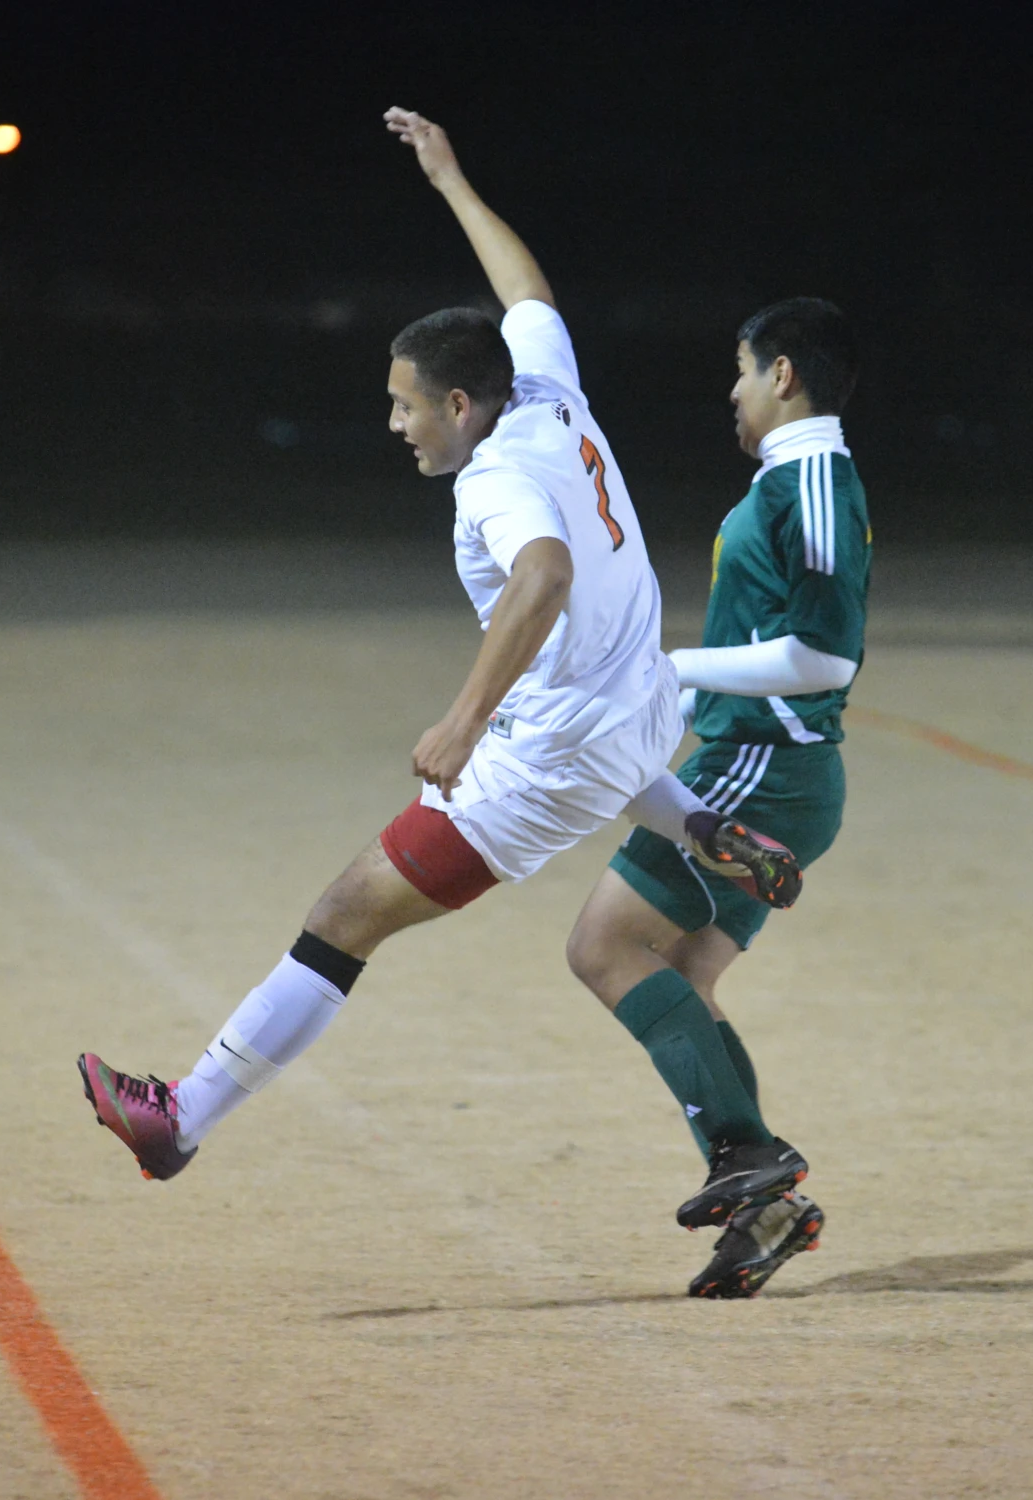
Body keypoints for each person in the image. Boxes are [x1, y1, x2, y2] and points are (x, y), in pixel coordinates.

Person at [76, 109, 803, 1241]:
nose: (394, 422)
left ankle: (181, 1119)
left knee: (340, 918)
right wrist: (452, 181)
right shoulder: (551, 394)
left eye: (405, 403)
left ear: (461, 405)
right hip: (636, 719)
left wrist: (463, 721)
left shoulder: (493, 479)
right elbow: (529, 296)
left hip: (541, 760)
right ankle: (705, 844)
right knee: (397, 885)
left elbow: (544, 576)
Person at [565, 297, 870, 1299]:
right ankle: (764, 1203)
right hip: (761, 761)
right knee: (682, 983)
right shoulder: (788, 478)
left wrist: (669, 666)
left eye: (740, 371)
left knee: (604, 947)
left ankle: (748, 1159)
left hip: (762, 770)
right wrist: (665, 696)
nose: (730, 394)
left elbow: (823, 656)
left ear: (783, 374)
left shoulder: (814, 477)